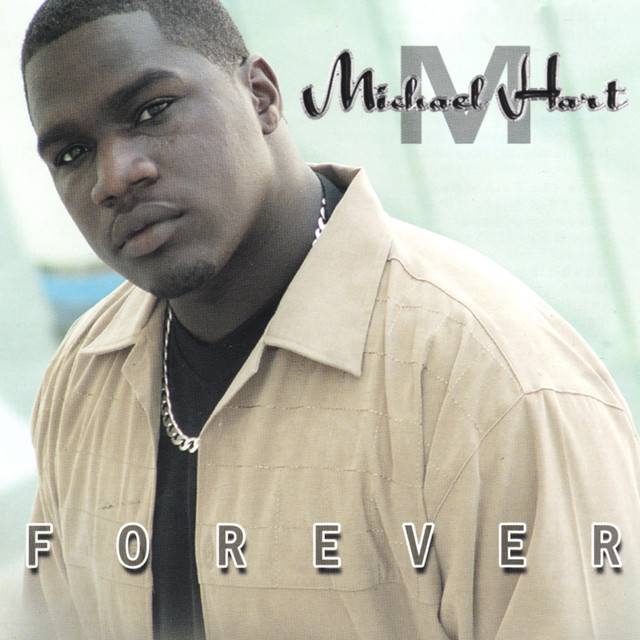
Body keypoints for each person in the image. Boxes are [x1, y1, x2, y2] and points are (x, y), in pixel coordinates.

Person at [20, 0, 640, 638]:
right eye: (71, 153)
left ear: (261, 97)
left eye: (152, 111)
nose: (114, 177)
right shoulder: (82, 378)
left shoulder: (489, 384)